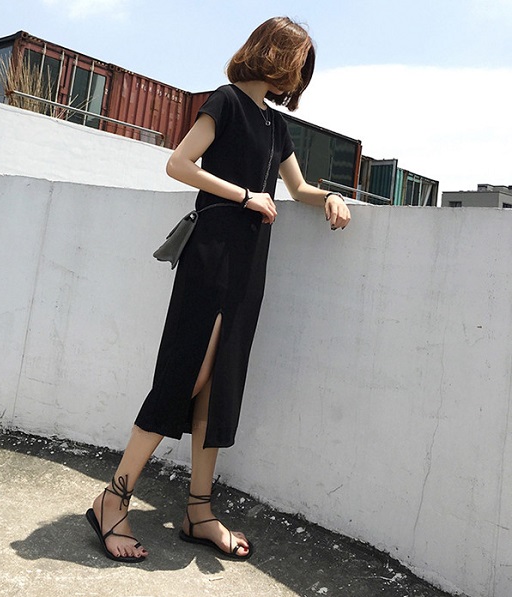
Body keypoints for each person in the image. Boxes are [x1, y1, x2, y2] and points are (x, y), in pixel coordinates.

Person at [86, 16, 351, 563]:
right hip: (211, 255)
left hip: (249, 263)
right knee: (187, 374)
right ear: (275, 55)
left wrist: (328, 197)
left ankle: (198, 512)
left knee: (220, 384)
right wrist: (244, 195)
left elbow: (297, 186)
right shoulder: (225, 102)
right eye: (298, 63)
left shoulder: (277, 126)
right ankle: (112, 499)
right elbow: (178, 163)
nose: (299, 76)